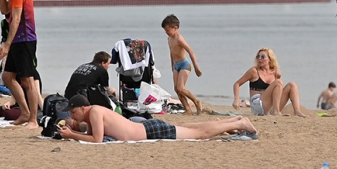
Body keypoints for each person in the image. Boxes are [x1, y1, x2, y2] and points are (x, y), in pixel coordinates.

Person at [58, 95, 258, 143]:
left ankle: (240, 123)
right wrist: (74, 131)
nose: (71, 116)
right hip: (147, 128)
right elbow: (93, 135)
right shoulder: (95, 112)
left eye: (73, 112)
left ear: (83, 107)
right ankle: (235, 121)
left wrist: (72, 135)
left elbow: (97, 140)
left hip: (150, 131)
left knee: (198, 134)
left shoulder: (94, 112)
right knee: (195, 127)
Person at [0, 0, 40, 127]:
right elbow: (4, 11)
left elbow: (17, 19)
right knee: (7, 76)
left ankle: (33, 119)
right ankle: (25, 113)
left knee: (28, 81)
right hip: (17, 41)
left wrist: (6, 44)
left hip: (25, 40)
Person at [231, 47, 308, 117]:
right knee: (278, 82)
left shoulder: (276, 73)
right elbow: (237, 84)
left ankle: (297, 112)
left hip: (271, 106)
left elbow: (277, 92)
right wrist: (236, 99)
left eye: (263, 57)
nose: (259, 59)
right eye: (258, 57)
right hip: (257, 104)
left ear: (270, 59)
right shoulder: (254, 71)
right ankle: (276, 112)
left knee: (292, 85)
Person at [161, 14, 205, 115]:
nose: (166, 33)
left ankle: (196, 101)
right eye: (165, 31)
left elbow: (191, 51)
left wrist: (196, 68)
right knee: (177, 89)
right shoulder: (169, 39)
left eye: (168, 30)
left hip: (184, 65)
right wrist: (172, 66)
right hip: (176, 65)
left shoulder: (179, 39)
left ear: (175, 28)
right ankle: (188, 109)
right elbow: (171, 53)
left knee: (181, 88)